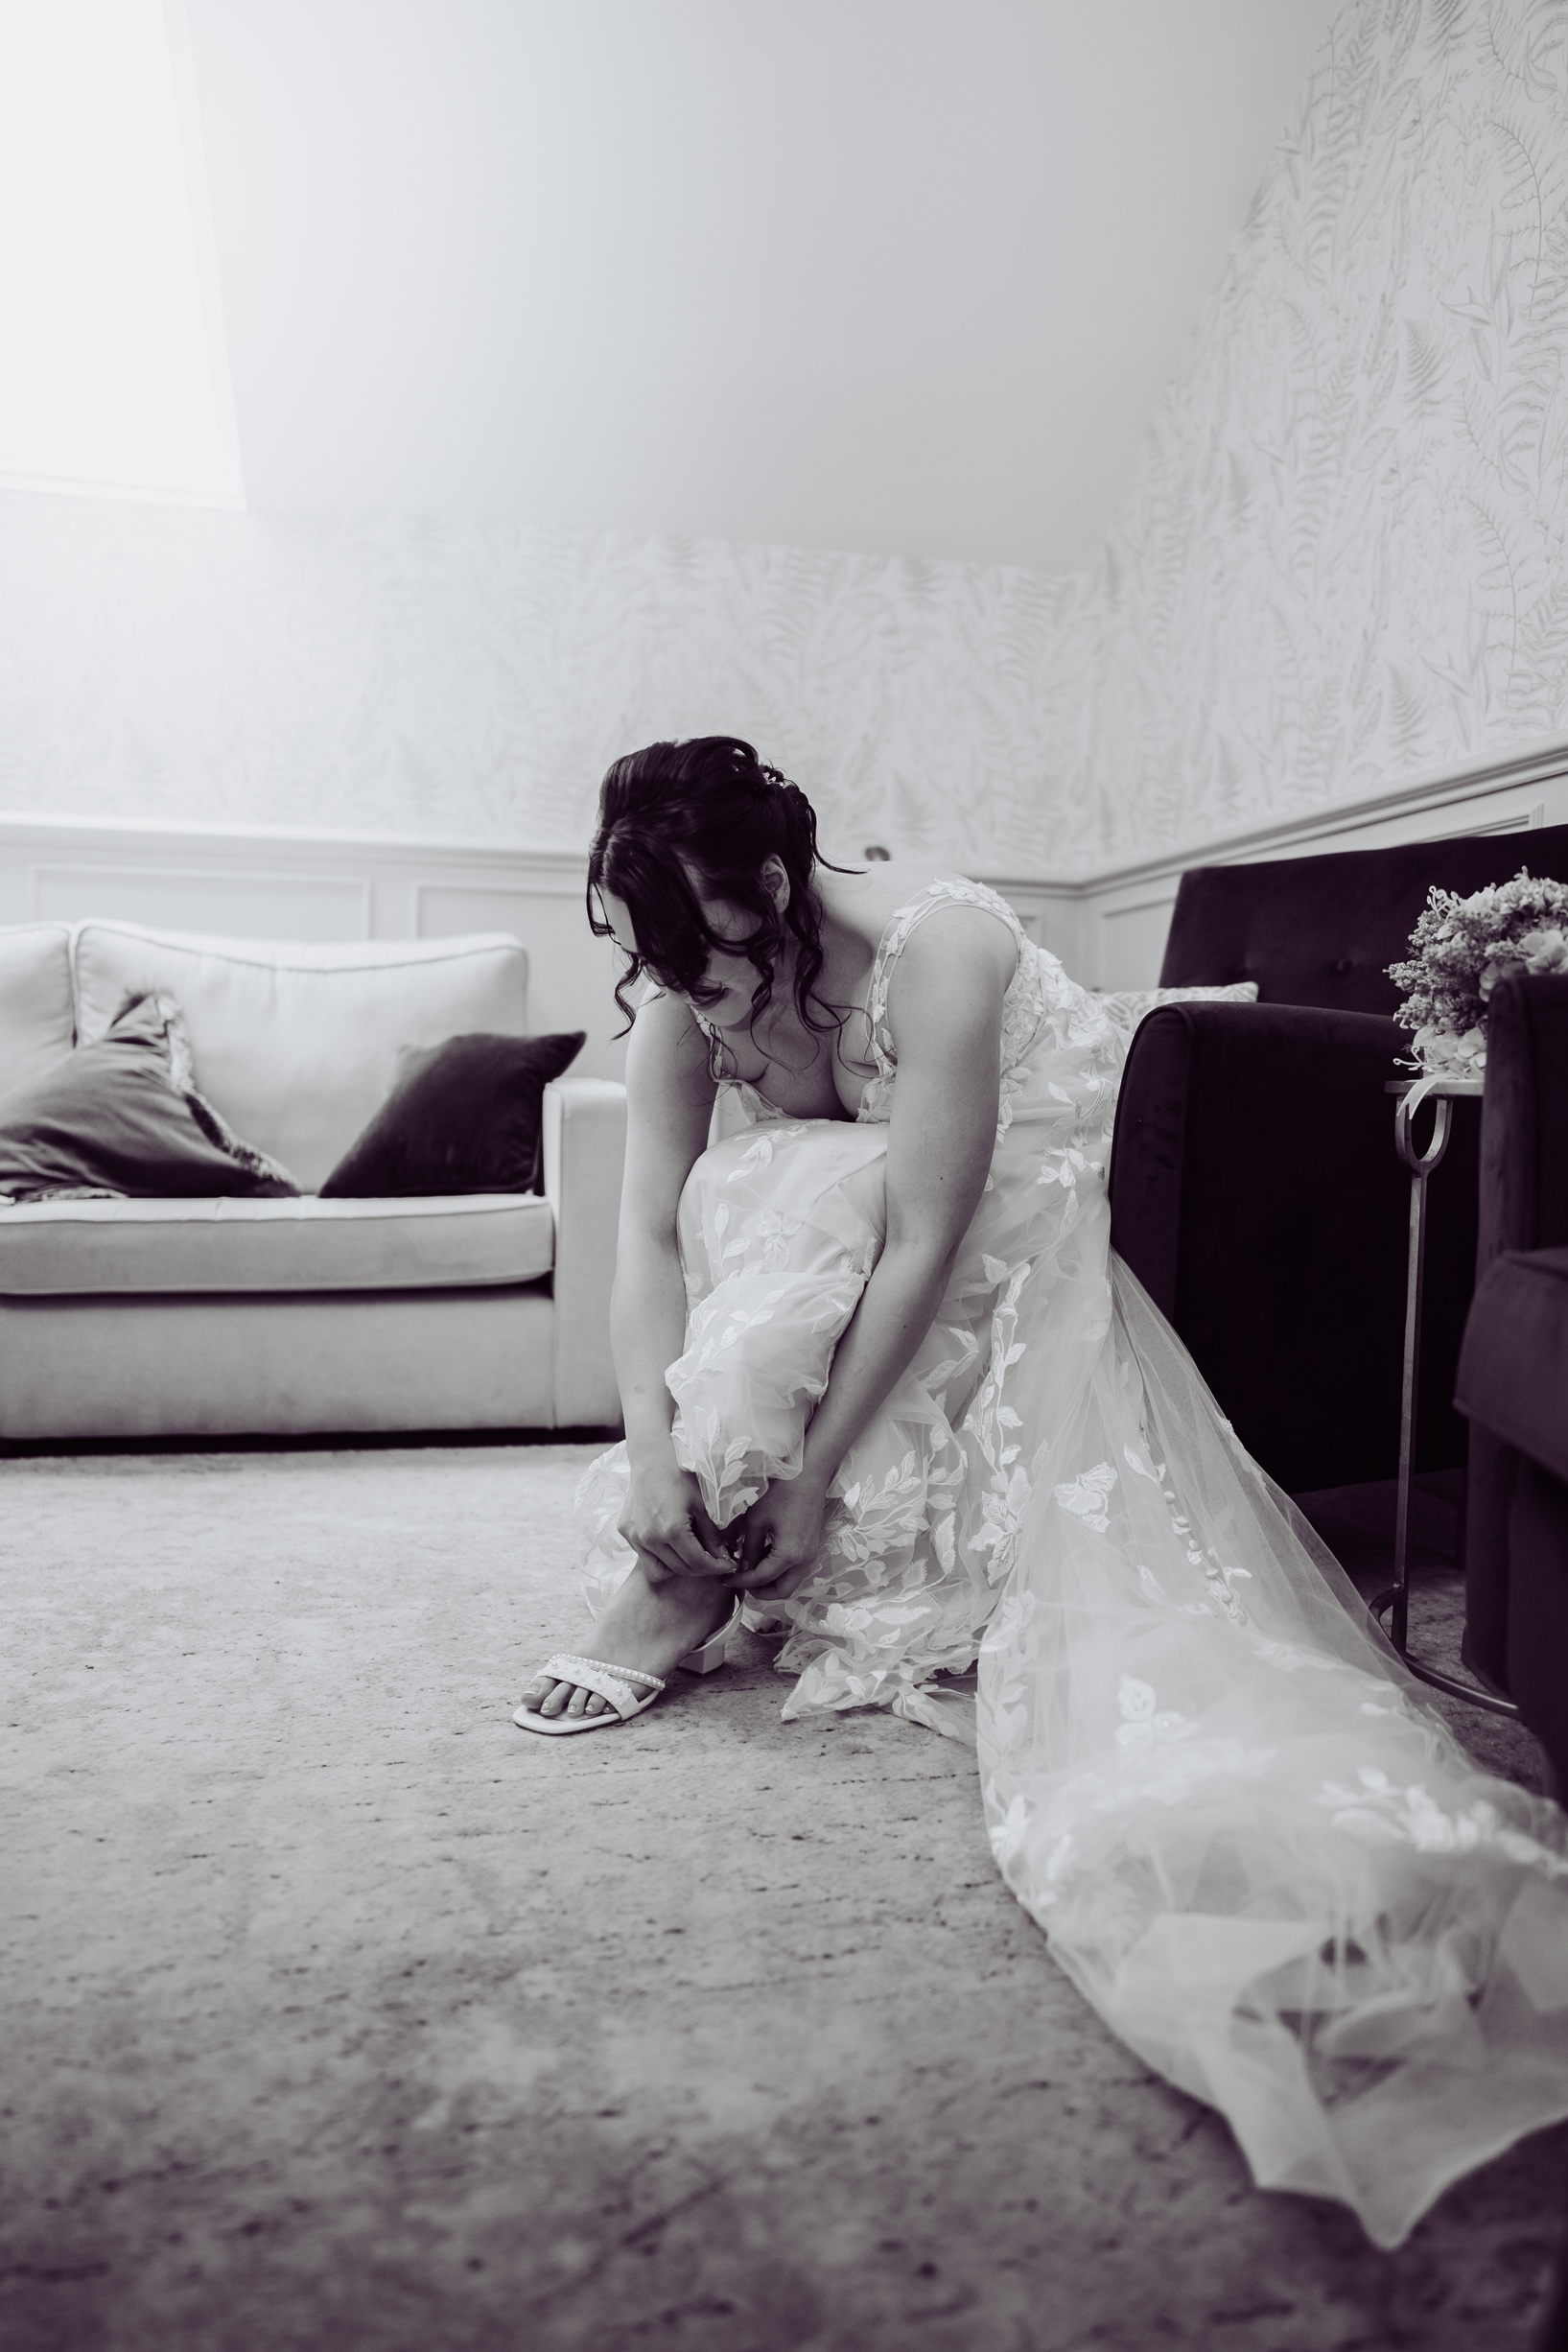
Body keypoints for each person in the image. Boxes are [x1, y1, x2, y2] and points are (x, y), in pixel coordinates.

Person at [516, 736, 1568, 2249]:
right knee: (748, 1186)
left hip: (1032, 1213)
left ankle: (698, 1575)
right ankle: (683, 1535)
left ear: (775, 883)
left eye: (720, 960)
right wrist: (656, 1438)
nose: (699, 1000)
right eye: (662, 966)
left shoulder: (938, 947)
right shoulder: (685, 990)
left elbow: (934, 1230)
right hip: (874, 1232)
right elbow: (647, 1242)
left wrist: (810, 1480)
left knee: (799, 1186)